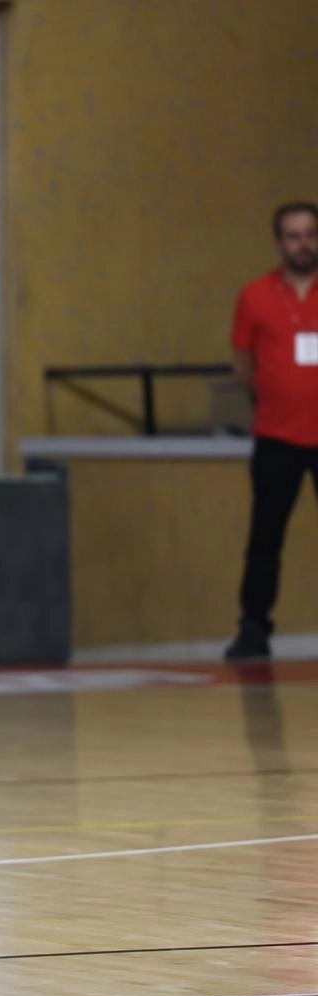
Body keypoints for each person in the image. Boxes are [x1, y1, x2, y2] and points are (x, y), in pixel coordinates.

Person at [225, 201, 318, 661]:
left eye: (311, 234)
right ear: (279, 243)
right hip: (277, 436)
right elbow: (243, 365)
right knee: (265, 537)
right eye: (294, 236)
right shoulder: (255, 296)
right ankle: (254, 627)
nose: (303, 244)